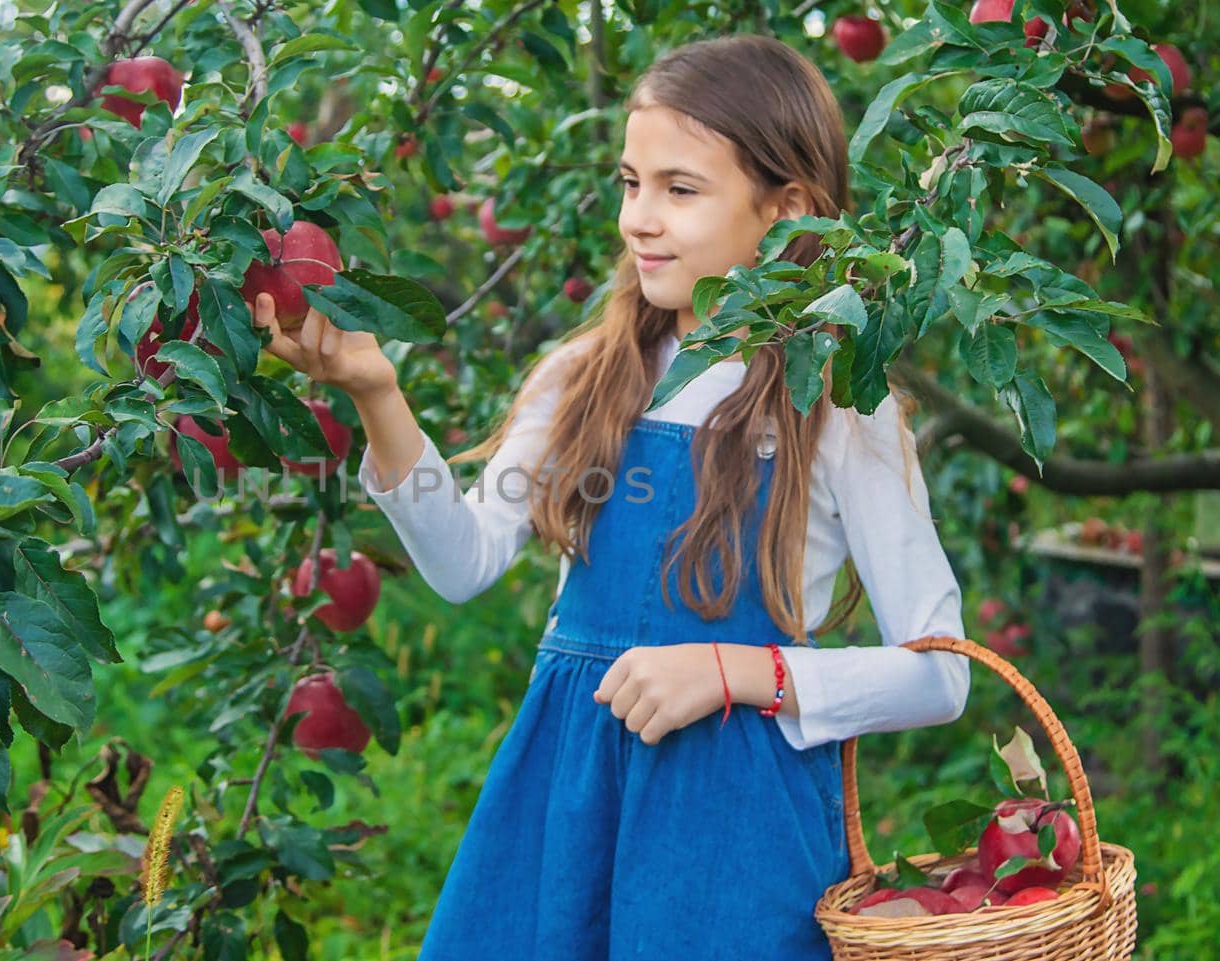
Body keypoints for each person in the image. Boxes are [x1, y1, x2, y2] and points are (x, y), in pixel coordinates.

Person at [248, 33, 970, 961]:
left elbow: (942, 671)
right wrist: (376, 392)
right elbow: (465, 562)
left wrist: (738, 671)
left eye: (681, 189)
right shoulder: (586, 375)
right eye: (631, 183)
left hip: (732, 827)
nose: (640, 219)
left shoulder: (835, 406)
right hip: (567, 793)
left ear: (786, 210)